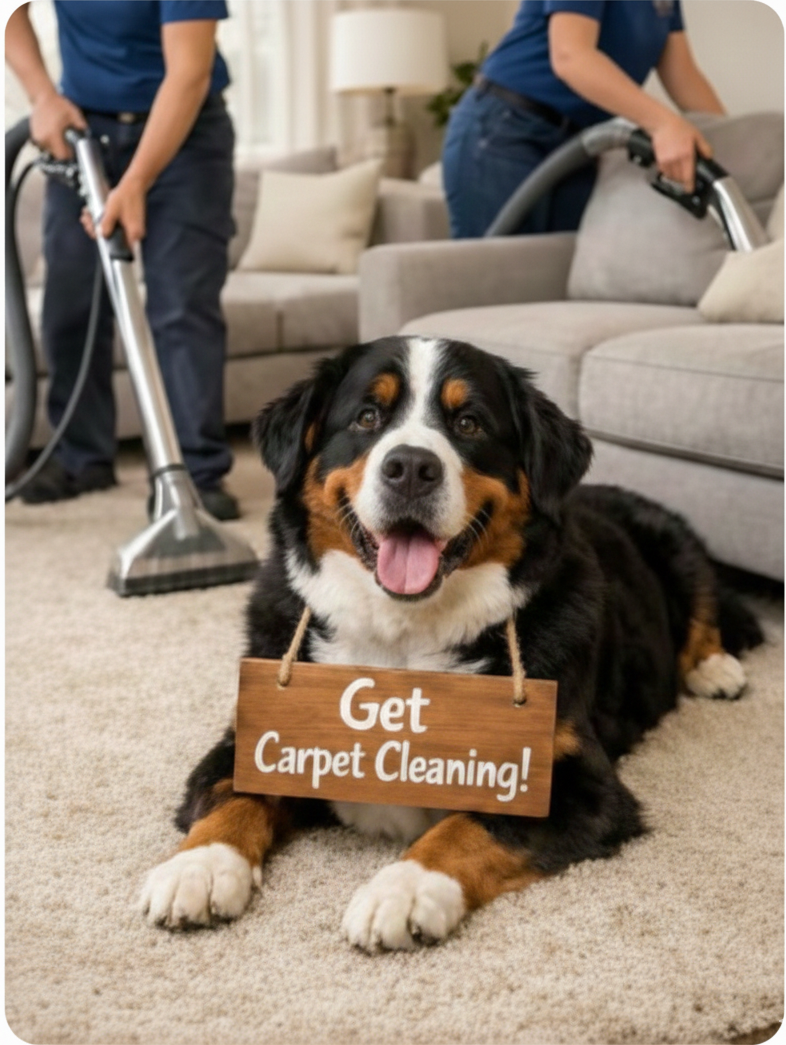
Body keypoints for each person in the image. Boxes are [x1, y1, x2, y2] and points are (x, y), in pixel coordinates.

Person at [6, 0, 240, 520]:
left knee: (182, 307)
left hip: (187, 134)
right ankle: (81, 459)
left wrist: (135, 181)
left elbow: (189, 72)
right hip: (83, 129)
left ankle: (195, 474)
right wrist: (43, 96)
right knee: (70, 304)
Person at [442, 0, 726, 239]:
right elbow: (571, 57)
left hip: (576, 143)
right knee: (497, 272)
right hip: (506, 128)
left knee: (556, 272)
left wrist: (736, 140)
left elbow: (683, 75)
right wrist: (664, 124)